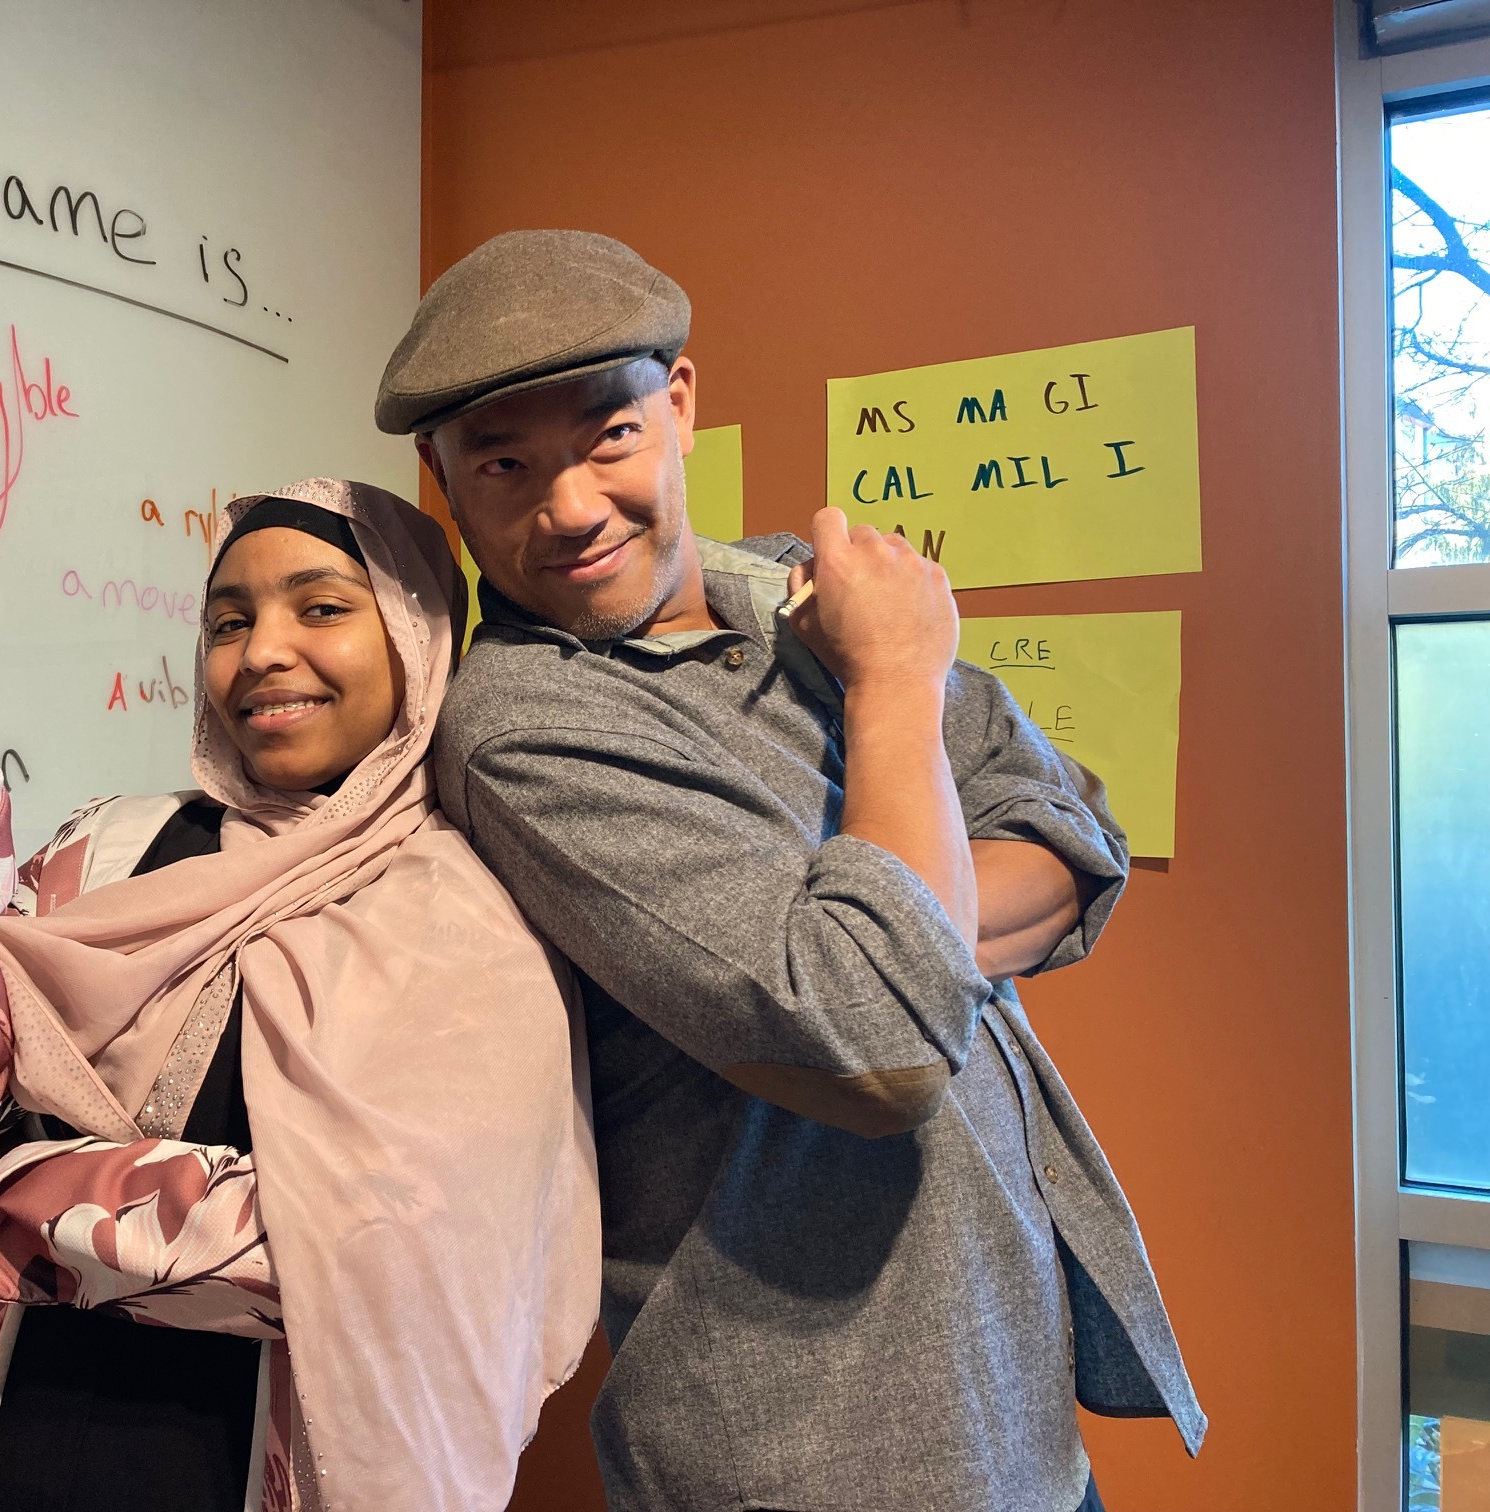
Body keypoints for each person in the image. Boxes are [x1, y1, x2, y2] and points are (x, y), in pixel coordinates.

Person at [376, 230, 1205, 1512]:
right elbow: (870, 1047)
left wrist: (878, 935)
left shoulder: (791, 589)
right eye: (503, 465)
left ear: (683, 404)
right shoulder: (529, 723)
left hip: (1016, 1416)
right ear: (446, 487)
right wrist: (896, 684)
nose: (572, 507)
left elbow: (1075, 834)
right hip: (801, 1453)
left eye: (608, 436)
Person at [0, 479, 599, 1512]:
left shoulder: (475, 927)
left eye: (320, 607)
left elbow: (381, 1256)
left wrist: (15, 1194)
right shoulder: (113, 851)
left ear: (419, 637)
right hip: (1, 1450)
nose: (261, 650)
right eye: (229, 619)